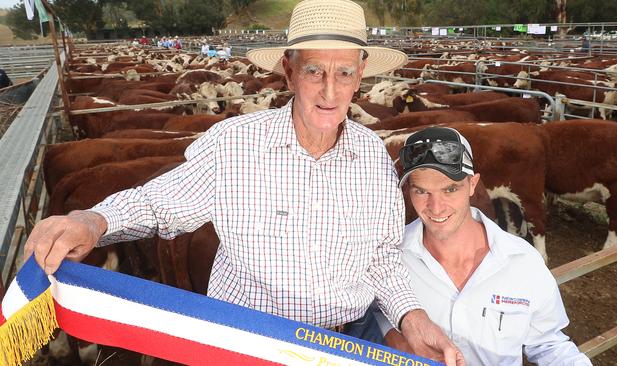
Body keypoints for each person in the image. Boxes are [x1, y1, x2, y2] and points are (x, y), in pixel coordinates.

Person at [24, 0, 464, 364]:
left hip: (344, 346)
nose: (330, 91)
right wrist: (93, 220)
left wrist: (413, 318)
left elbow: (383, 258)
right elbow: (159, 204)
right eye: (315, 72)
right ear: (289, 73)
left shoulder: (373, 156)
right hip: (244, 345)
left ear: (361, 74)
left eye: (344, 72)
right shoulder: (235, 143)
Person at [372, 126, 592, 365]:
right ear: (409, 191)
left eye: (450, 189)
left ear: (473, 184)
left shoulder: (522, 261)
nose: (436, 207)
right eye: (421, 191)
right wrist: (394, 336)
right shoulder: (389, 256)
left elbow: (549, 344)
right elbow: (371, 311)